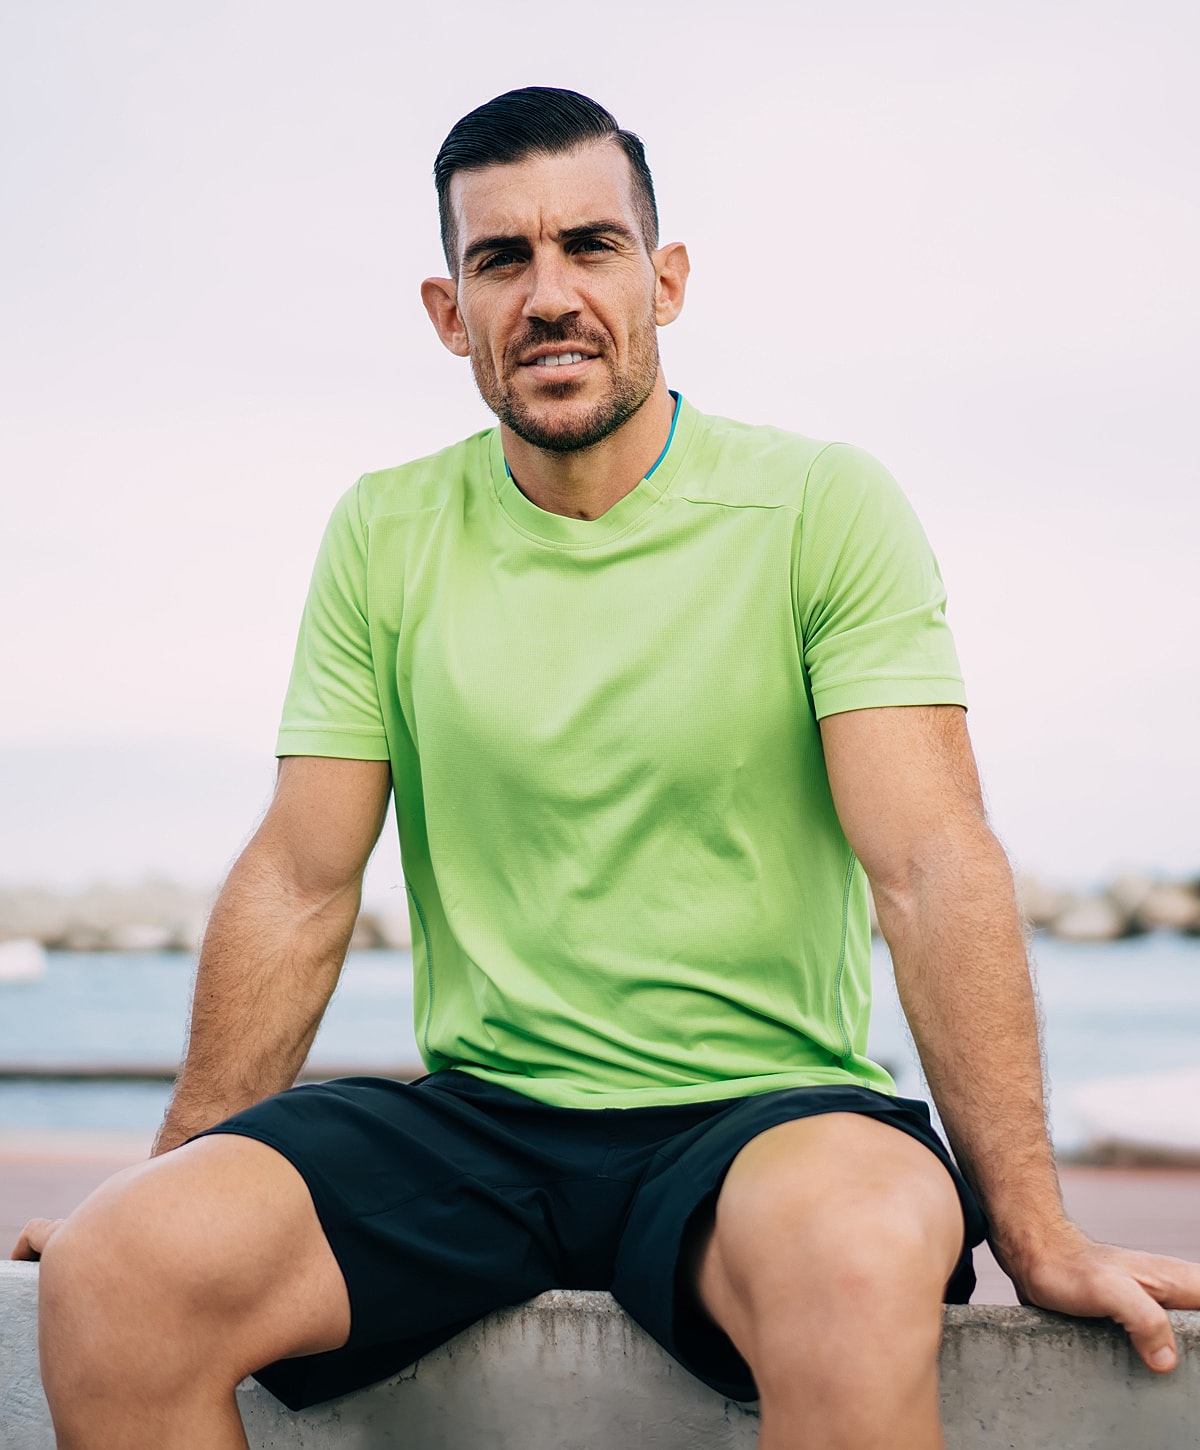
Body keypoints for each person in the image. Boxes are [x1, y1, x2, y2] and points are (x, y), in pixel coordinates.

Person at [13, 86, 1200, 1450]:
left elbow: (930, 864)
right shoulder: (387, 531)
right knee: (118, 1274)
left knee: (862, 1253)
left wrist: (1035, 1222)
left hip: (769, 1115)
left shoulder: (819, 505)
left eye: (592, 245)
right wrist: (176, 1180)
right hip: (479, 1120)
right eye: (500, 259)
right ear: (448, 312)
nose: (549, 292)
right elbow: (298, 876)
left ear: (666, 277)